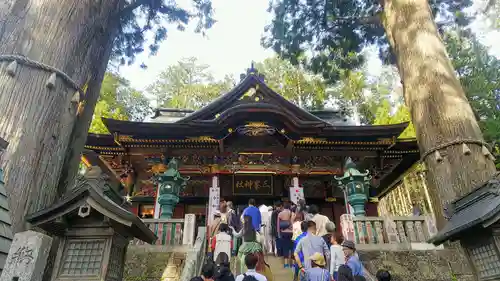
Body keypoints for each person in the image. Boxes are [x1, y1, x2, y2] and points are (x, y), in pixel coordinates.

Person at [230, 216, 273, 280]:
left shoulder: (243, 229)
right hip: (254, 246)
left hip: (244, 247)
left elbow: (237, 235)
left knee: (240, 260)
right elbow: (258, 239)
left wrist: (232, 229)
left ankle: (243, 274)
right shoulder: (253, 229)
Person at [277, 200, 295, 268]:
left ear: (283, 207)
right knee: (292, 247)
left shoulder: (280, 214)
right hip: (292, 232)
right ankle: (293, 264)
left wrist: (279, 233)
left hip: (284, 233)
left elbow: (278, 225)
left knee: (285, 248)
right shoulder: (293, 214)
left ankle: (286, 264)